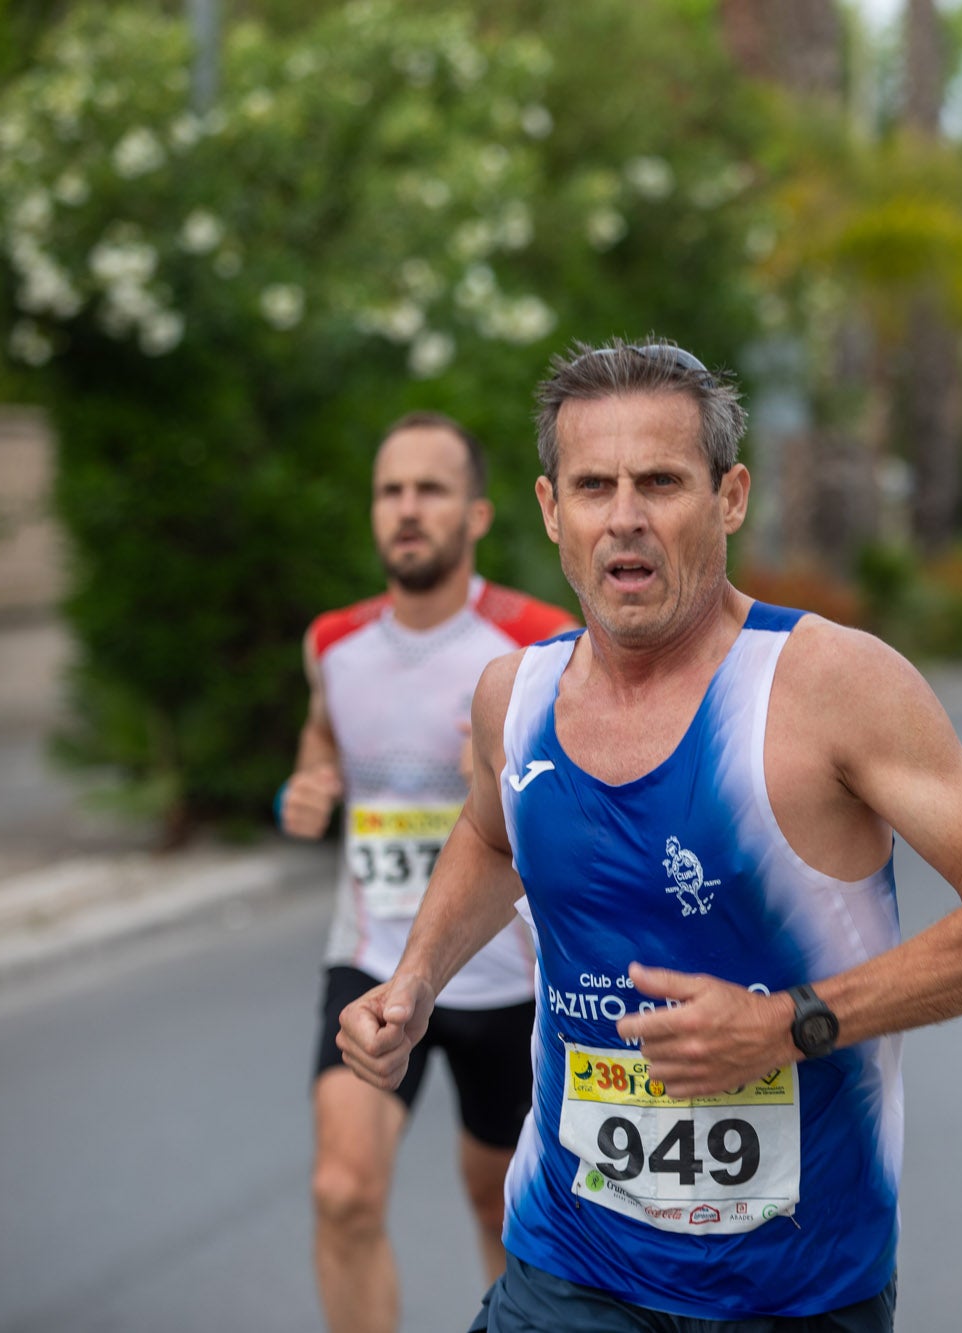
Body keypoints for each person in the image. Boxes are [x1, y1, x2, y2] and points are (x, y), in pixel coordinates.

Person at [336, 340, 962, 1332]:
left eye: (660, 482)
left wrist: (789, 1022)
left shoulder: (828, 685)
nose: (624, 516)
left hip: (792, 1288)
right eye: (593, 485)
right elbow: (492, 837)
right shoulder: (514, 698)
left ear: (728, 498)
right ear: (552, 510)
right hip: (570, 1261)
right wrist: (415, 981)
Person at [281, 411, 577, 1333]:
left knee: (502, 1211)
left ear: (478, 514)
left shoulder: (539, 641)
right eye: (391, 491)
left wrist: (506, 784)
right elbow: (325, 736)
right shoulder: (333, 644)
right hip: (376, 962)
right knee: (343, 1192)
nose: (408, 510)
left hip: (508, 978)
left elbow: (593, 804)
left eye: (431, 490)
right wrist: (310, 779)